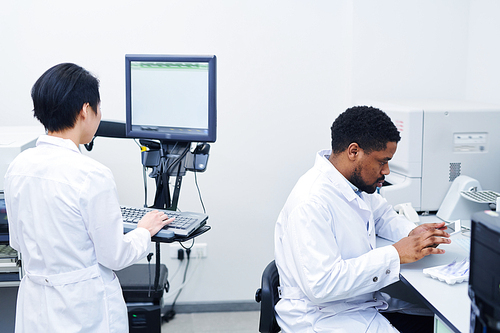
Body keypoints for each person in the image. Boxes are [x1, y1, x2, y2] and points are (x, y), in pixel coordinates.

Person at [4, 63, 173, 333]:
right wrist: (143, 231)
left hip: (34, 304)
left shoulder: (18, 166)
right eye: (98, 107)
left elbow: (16, 241)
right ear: (86, 110)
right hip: (82, 309)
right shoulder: (92, 175)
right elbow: (115, 256)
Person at [274, 106, 451, 333]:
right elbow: (322, 285)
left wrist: (411, 234)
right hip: (321, 318)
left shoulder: (352, 184)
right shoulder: (311, 202)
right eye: (382, 161)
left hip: (354, 305)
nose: (386, 171)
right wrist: (396, 254)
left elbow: (382, 215)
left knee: (437, 323)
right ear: (354, 151)